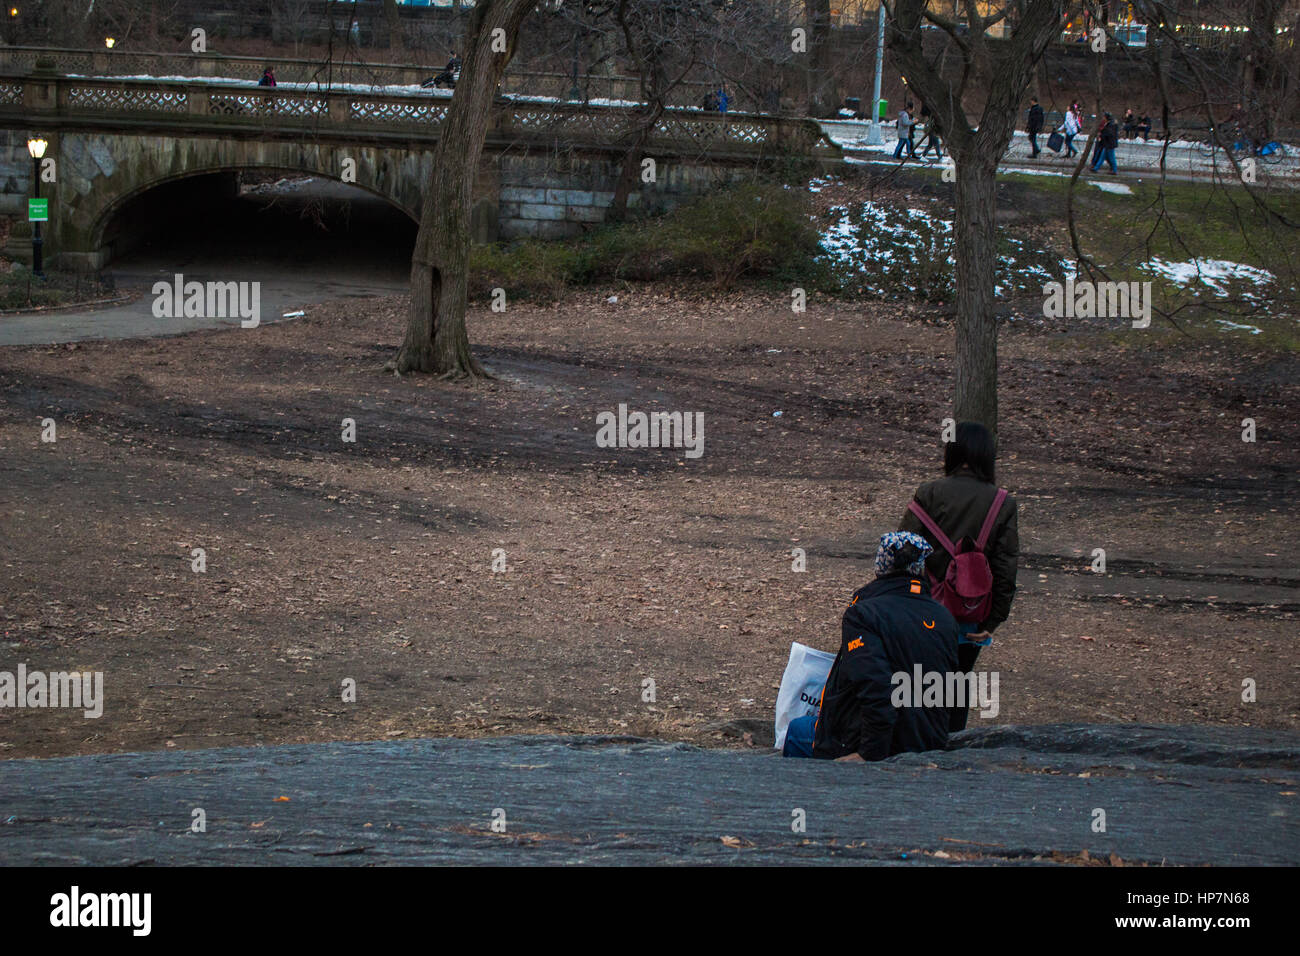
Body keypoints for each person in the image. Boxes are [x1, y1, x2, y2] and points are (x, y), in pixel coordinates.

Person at [783, 532, 959, 761]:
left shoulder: (863, 614)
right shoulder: (945, 618)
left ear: (881, 565)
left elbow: (876, 688)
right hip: (928, 738)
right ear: (921, 568)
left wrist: (868, 755)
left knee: (798, 731)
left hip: (878, 743)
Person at [898, 421, 1018, 732]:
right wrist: (993, 621)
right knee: (958, 685)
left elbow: (904, 552)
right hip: (971, 613)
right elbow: (1005, 567)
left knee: (918, 685)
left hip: (923, 609)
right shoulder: (1003, 502)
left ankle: (917, 749)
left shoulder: (929, 493)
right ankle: (951, 751)